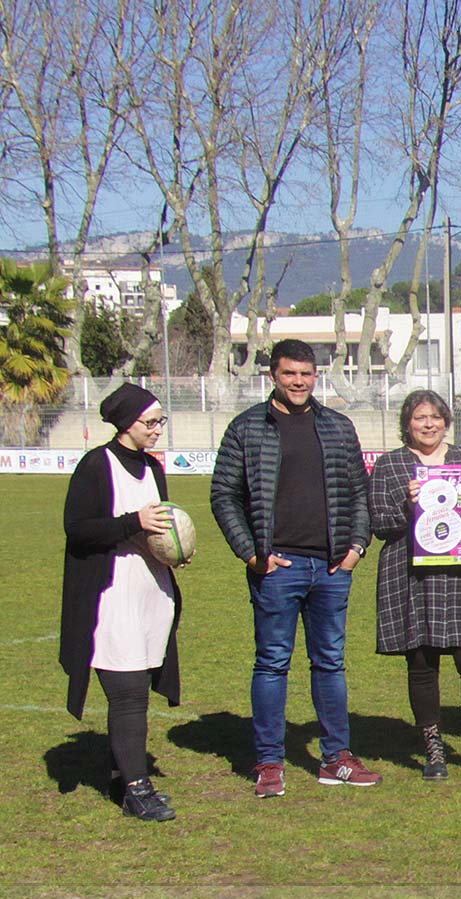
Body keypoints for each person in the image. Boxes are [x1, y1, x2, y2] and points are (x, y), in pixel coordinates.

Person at [210, 338, 377, 797]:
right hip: (276, 567)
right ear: (273, 376)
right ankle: (269, 762)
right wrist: (251, 553)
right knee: (271, 664)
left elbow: (359, 493)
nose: (298, 382)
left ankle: (336, 758)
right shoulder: (247, 427)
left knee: (330, 663)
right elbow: (224, 495)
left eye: (306, 374)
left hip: (331, 567)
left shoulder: (338, 427)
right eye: (289, 373)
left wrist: (356, 547)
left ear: (315, 377)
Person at [59, 384, 183, 821]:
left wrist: (173, 551)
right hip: (112, 595)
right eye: (151, 422)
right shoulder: (96, 465)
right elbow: (78, 529)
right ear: (127, 422)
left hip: (151, 590)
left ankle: (119, 776)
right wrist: (134, 521)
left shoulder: (152, 467)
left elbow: (158, 528)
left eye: (161, 421)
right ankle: (137, 790)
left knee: (138, 689)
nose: (157, 429)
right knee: (127, 694)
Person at [369, 390, 461, 781]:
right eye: (419, 418)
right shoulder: (390, 465)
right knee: (422, 666)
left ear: (446, 421)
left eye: (435, 417)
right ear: (407, 424)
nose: (428, 424)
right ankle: (433, 752)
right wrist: (409, 507)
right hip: (412, 575)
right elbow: (380, 524)